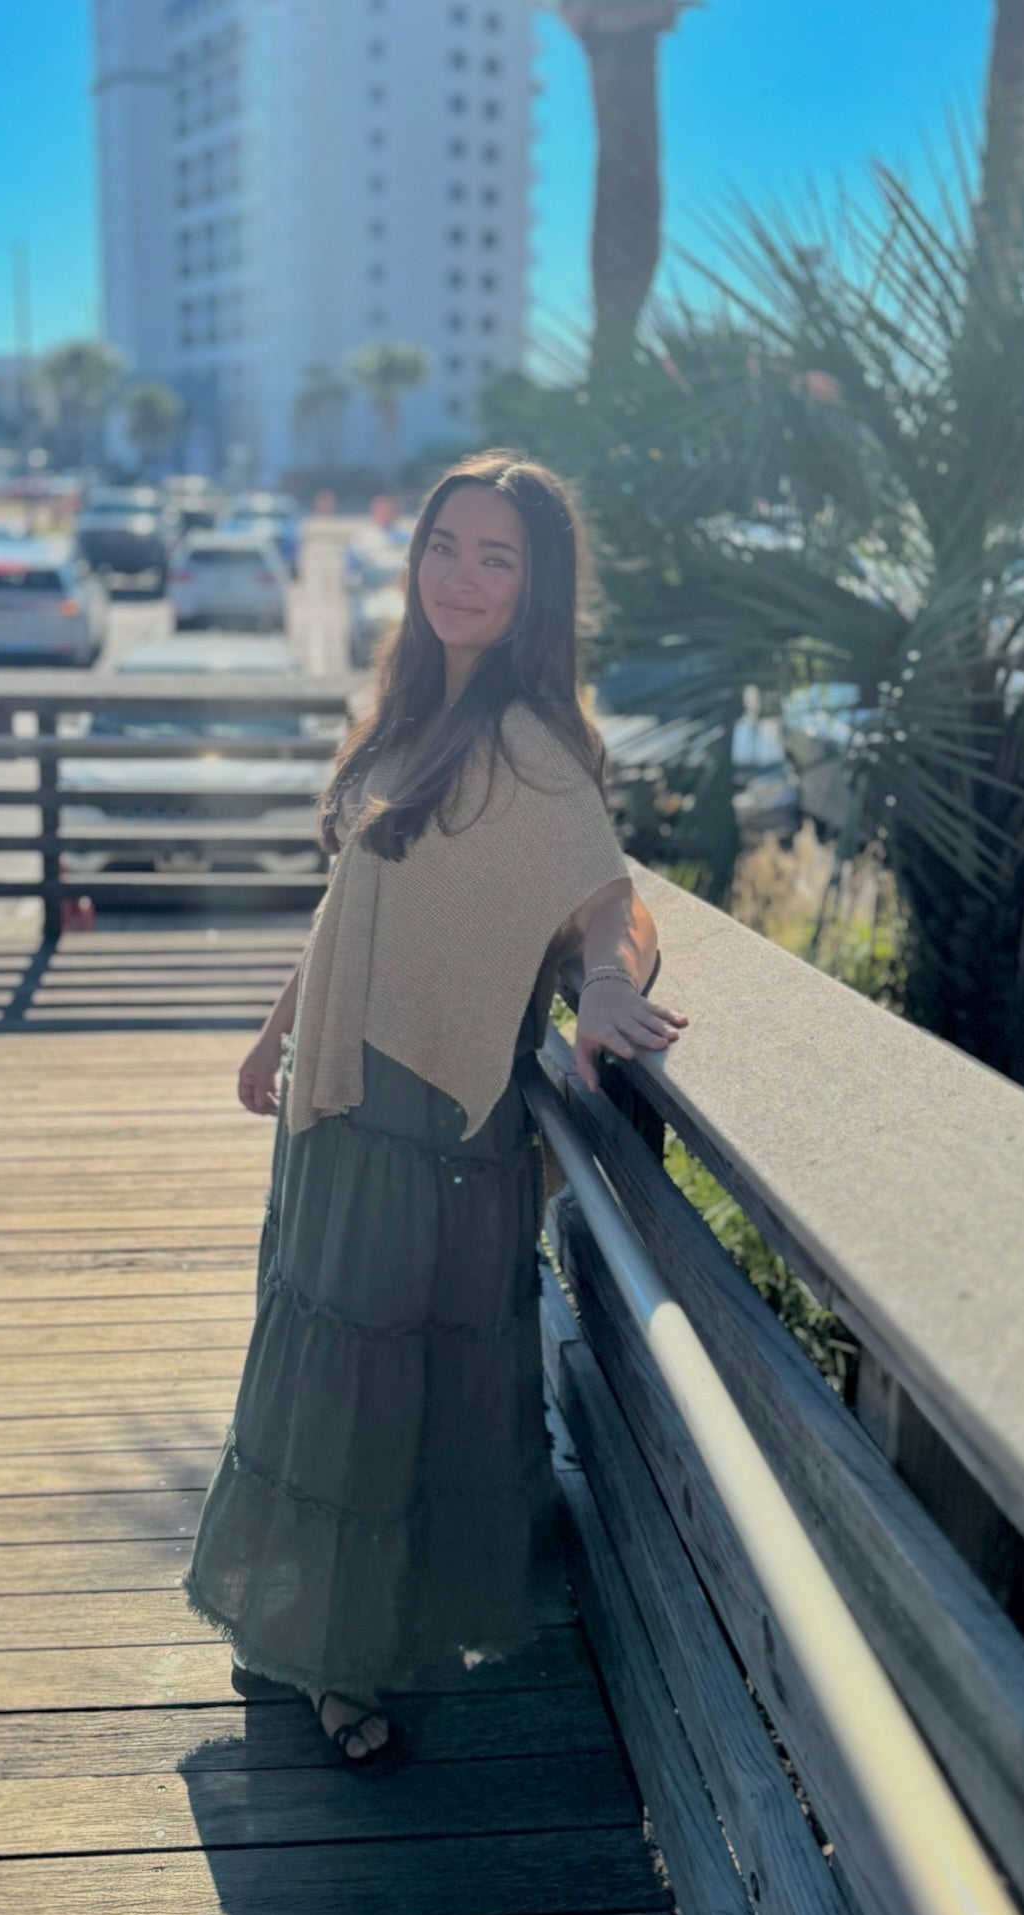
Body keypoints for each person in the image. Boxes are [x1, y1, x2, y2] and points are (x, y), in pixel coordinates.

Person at [182, 451, 688, 1772]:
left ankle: (347, 1664)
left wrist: (614, 991)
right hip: (339, 1104)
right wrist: (277, 1033)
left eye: (496, 557)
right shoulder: (407, 713)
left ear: (535, 589)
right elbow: (361, 904)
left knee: (377, 1388)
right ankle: (305, 1631)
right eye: (445, 546)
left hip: (430, 1127)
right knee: (321, 1365)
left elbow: (605, 897)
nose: (461, 576)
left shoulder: (531, 746)